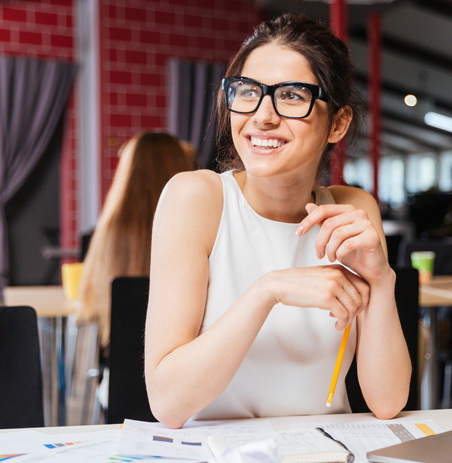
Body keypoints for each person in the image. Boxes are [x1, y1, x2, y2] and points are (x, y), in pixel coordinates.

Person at [144, 14, 411, 428]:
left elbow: (387, 402)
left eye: (290, 95)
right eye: (248, 92)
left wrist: (381, 279)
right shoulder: (195, 198)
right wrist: (268, 289)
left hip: (327, 452)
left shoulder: (352, 210)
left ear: (337, 123)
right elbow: (167, 403)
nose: (262, 116)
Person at [77, 131, 191, 348]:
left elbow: (88, 305)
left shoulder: (108, 231)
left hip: (117, 374)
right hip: (183, 368)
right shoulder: (197, 227)